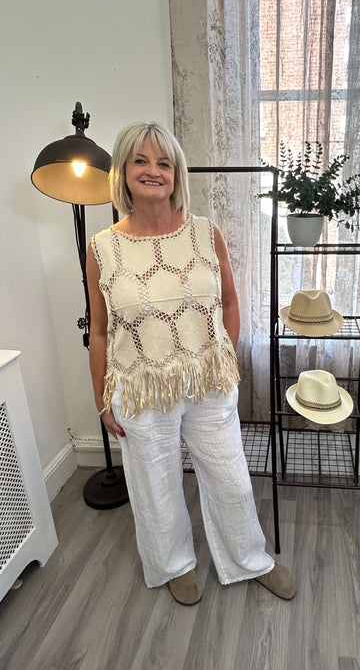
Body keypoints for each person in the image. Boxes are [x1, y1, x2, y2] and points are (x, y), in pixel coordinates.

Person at [86, 122, 296, 604]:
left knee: (231, 479)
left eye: (164, 163)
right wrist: (101, 399)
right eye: (141, 160)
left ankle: (249, 559)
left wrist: (224, 359)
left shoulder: (205, 233)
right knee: (155, 487)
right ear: (123, 171)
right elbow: (99, 331)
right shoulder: (102, 248)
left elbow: (229, 303)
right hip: (141, 388)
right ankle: (173, 564)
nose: (153, 171)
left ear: (177, 174)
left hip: (207, 384)